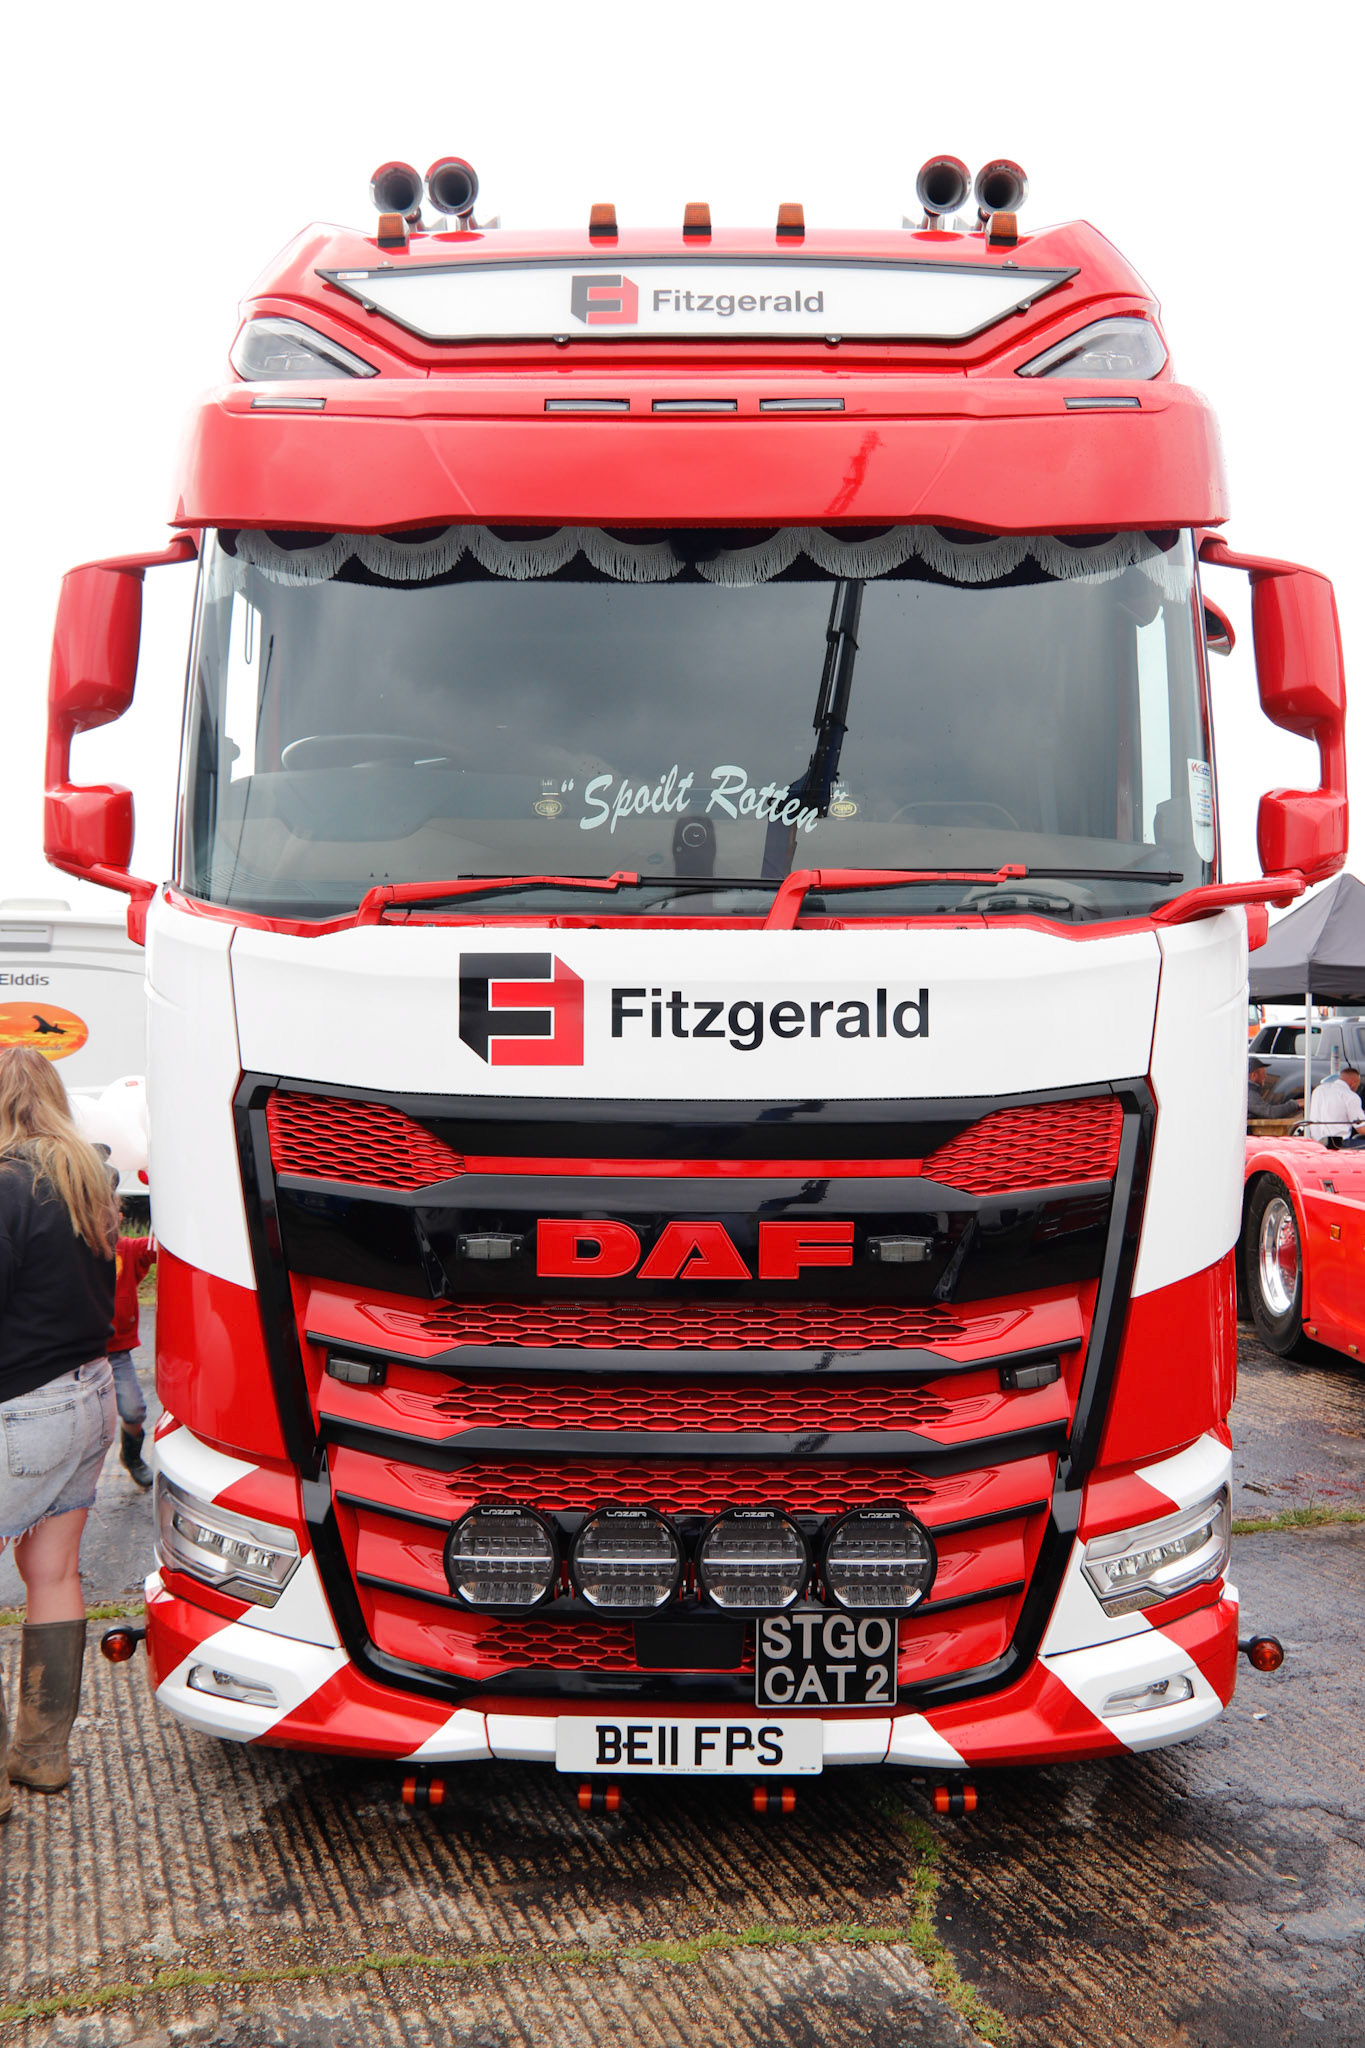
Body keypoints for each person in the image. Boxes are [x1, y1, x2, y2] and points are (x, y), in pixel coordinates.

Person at [0, 1047, 117, 1823]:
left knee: (47, 1570)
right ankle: (41, 1754)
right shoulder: (86, 1177)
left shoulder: (7, 1183)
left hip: (24, 1406)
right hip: (90, 1395)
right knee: (53, 1572)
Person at [108, 1226, 156, 1489]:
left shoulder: (127, 1249)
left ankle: (131, 1457)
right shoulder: (73, 1249)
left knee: (134, 1409)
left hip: (115, 1352)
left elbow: (159, 1248)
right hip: (76, 1353)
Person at [1306, 1064, 1365, 1145]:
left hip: (1316, 1142)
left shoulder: (1318, 1090)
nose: (1357, 1088)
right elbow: (1361, 1128)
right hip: (1338, 1144)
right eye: (1358, 1085)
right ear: (1353, 1083)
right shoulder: (1350, 1096)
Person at [1248, 1058, 1302, 1124]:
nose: (1265, 1076)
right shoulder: (1249, 1093)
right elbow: (1270, 1112)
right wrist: (1295, 1104)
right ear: (1254, 1075)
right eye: (1263, 1073)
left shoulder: (1249, 1091)